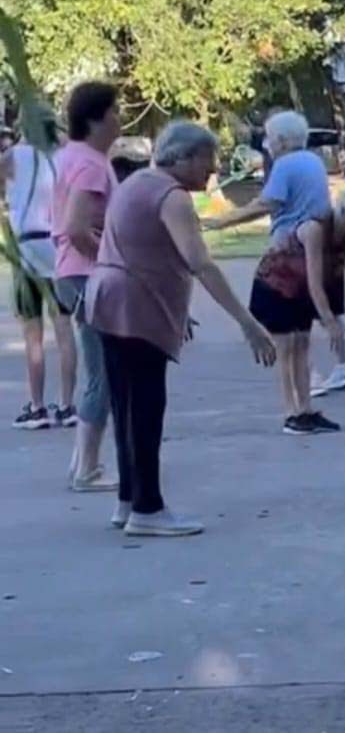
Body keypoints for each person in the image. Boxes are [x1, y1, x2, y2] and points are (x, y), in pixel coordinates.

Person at [85, 122, 276, 537]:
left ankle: (129, 499)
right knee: (145, 407)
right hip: (133, 306)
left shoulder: (137, 183)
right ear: (184, 157)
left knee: (125, 404)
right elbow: (199, 261)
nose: (214, 169)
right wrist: (248, 323)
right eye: (208, 159)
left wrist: (175, 308)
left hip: (109, 299)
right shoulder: (171, 195)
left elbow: (139, 248)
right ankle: (147, 509)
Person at [205, 110, 345, 395]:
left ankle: (307, 379)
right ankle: (334, 368)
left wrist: (222, 221)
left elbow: (267, 204)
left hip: (288, 249)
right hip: (315, 243)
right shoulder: (313, 161)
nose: (267, 143)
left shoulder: (285, 164)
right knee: (307, 315)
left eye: (270, 137)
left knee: (287, 325)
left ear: (282, 140)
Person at [249, 184, 345, 434]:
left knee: (303, 344)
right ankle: (291, 413)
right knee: (287, 347)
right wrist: (330, 321)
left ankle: (306, 411)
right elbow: (315, 283)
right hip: (274, 284)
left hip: (299, 288)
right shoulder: (315, 228)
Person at [51, 81, 121, 492]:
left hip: (71, 273)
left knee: (98, 371)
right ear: (96, 118)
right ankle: (87, 470)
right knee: (102, 375)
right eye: (115, 110)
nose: (120, 118)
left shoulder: (73, 156)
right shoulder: (91, 164)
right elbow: (76, 228)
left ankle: (81, 461)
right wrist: (112, 258)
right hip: (85, 276)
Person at [2, 106, 78, 429]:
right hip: (57, 244)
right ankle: (67, 405)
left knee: (33, 333)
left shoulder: (12, 157)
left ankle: (37, 406)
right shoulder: (65, 158)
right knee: (64, 328)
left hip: (26, 247)